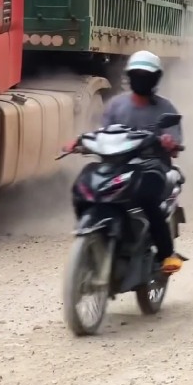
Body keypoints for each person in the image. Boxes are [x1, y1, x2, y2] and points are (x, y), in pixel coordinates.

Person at [65, 50, 185, 274]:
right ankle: (94, 235)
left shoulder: (165, 108)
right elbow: (104, 133)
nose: (142, 78)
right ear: (129, 76)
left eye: (147, 75)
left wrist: (169, 142)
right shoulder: (116, 105)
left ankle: (166, 254)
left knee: (147, 197)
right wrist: (81, 142)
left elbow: (176, 142)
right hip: (117, 165)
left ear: (156, 78)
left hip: (152, 167)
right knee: (82, 188)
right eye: (137, 74)